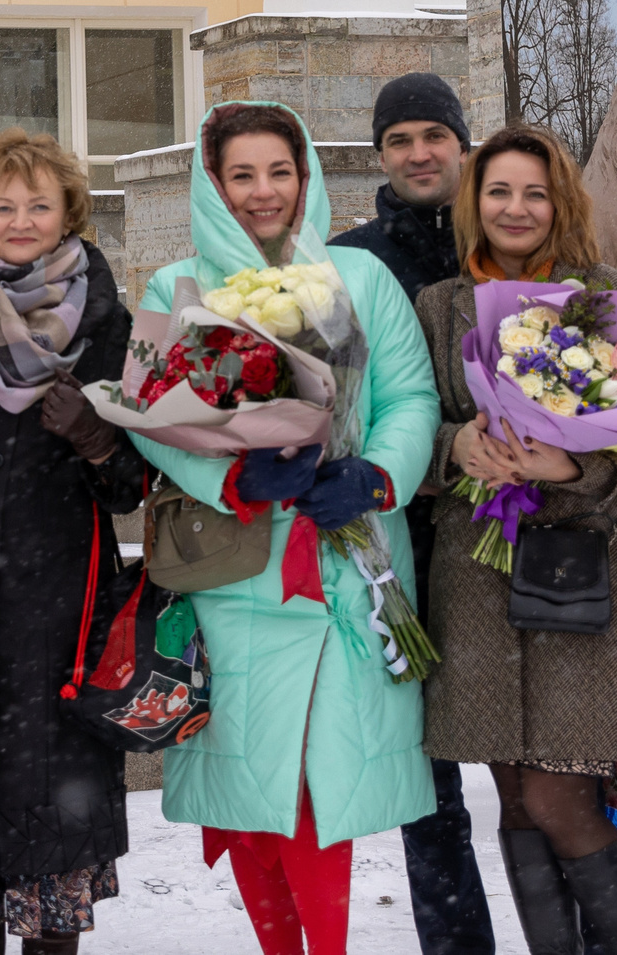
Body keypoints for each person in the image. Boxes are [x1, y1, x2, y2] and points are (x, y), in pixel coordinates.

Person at [131, 101, 439, 955]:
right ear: (212, 182)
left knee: (317, 786)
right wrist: (229, 470)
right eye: (242, 174)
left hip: (351, 565)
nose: (264, 192)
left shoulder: (359, 278)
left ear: (305, 178)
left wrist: (375, 474)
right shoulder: (178, 288)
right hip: (239, 573)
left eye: (280, 171)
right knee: (255, 788)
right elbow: (148, 416)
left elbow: (411, 394)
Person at [414, 124, 617, 955]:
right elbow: (406, 427)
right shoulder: (440, 305)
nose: (515, 208)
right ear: (472, 202)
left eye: (534, 192)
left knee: (562, 800)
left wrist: (569, 467)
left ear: (561, 202)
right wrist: (455, 448)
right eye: (498, 191)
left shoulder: (610, 298)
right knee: (515, 801)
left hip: (585, 583)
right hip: (476, 590)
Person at [0, 130, 145, 955]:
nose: (19, 219)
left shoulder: (111, 322)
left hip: (64, 609)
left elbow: (132, 490)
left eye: (38, 204)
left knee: (56, 826)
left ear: (68, 212)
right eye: (3, 205)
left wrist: (98, 440)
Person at [328, 75, 493, 955]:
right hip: (401, 545)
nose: (420, 152)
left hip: (517, 539)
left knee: (545, 780)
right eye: (401, 138)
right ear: (381, 154)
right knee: (429, 786)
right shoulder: (350, 261)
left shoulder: (508, 241)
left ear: (462, 143)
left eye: (436, 133)